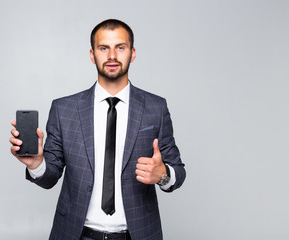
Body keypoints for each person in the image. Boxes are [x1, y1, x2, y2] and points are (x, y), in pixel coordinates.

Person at [10, 19, 185, 240]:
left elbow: (178, 171)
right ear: (92, 55)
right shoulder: (64, 109)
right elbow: (50, 177)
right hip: (76, 234)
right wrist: (36, 164)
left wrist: (163, 175)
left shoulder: (155, 108)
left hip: (138, 234)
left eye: (120, 47)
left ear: (132, 53)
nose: (112, 56)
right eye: (104, 48)